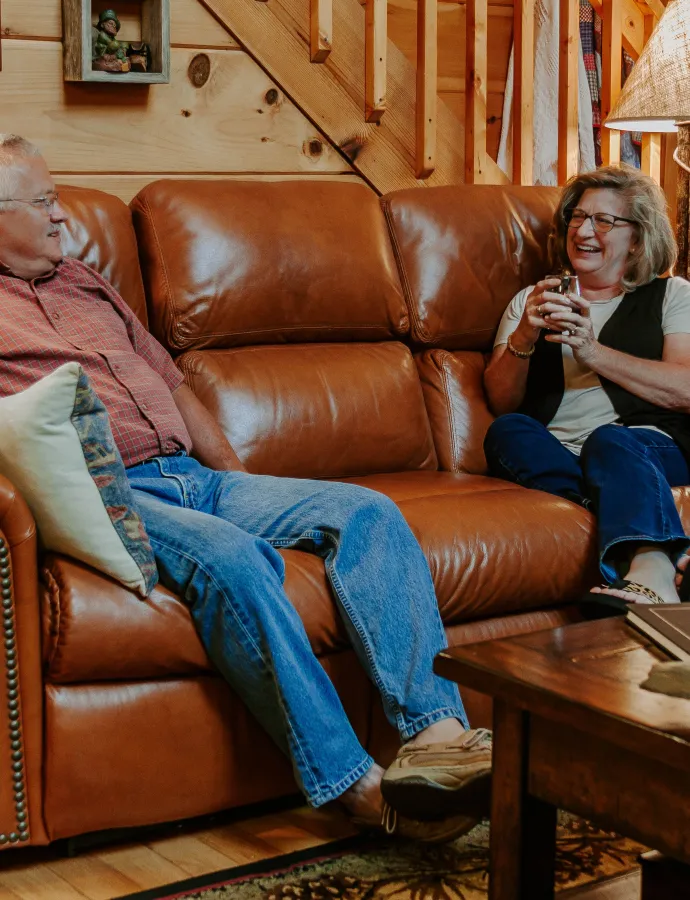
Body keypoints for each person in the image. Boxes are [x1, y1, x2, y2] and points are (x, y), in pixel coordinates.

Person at [0, 135, 491, 841]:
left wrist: (236, 481)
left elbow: (171, 381)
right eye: (44, 202)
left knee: (367, 511)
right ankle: (356, 786)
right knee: (233, 560)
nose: (61, 218)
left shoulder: (84, 278)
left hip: (197, 478)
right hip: (116, 496)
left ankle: (439, 739)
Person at [483, 165, 690, 612]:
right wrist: (522, 337)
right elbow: (500, 402)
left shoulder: (673, 295)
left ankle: (654, 576)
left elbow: (685, 389)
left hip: (643, 447)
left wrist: (592, 352)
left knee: (609, 440)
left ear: (637, 238)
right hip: (561, 456)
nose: (584, 230)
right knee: (509, 431)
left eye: (604, 220)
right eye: (577, 217)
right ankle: (623, 518)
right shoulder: (531, 300)